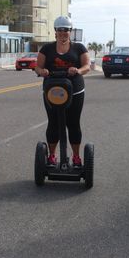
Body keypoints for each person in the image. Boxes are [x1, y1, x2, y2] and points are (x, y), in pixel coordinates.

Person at [35, 16, 91, 167]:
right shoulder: (47, 49)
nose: (63, 33)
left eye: (66, 30)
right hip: (52, 92)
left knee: (73, 124)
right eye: (60, 30)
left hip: (75, 92)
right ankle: (52, 156)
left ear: (70, 31)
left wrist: (77, 70)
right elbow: (37, 67)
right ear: (55, 31)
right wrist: (42, 71)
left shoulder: (79, 48)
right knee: (53, 123)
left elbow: (87, 66)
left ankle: (76, 157)